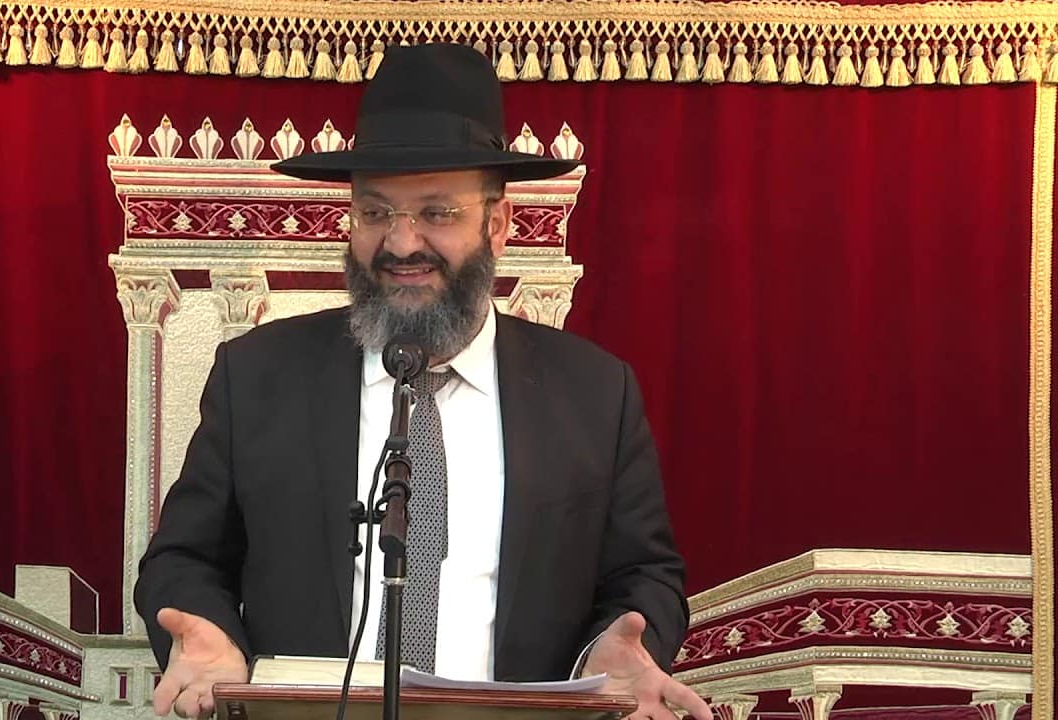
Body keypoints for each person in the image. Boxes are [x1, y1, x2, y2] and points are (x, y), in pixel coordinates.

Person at [134, 42, 711, 720]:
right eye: (376, 212)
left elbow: (643, 575)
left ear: (498, 225)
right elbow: (183, 561)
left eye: (437, 213)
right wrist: (213, 639)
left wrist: (607, 653)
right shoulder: (258, 375)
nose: (402, 243)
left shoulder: (594, 394)